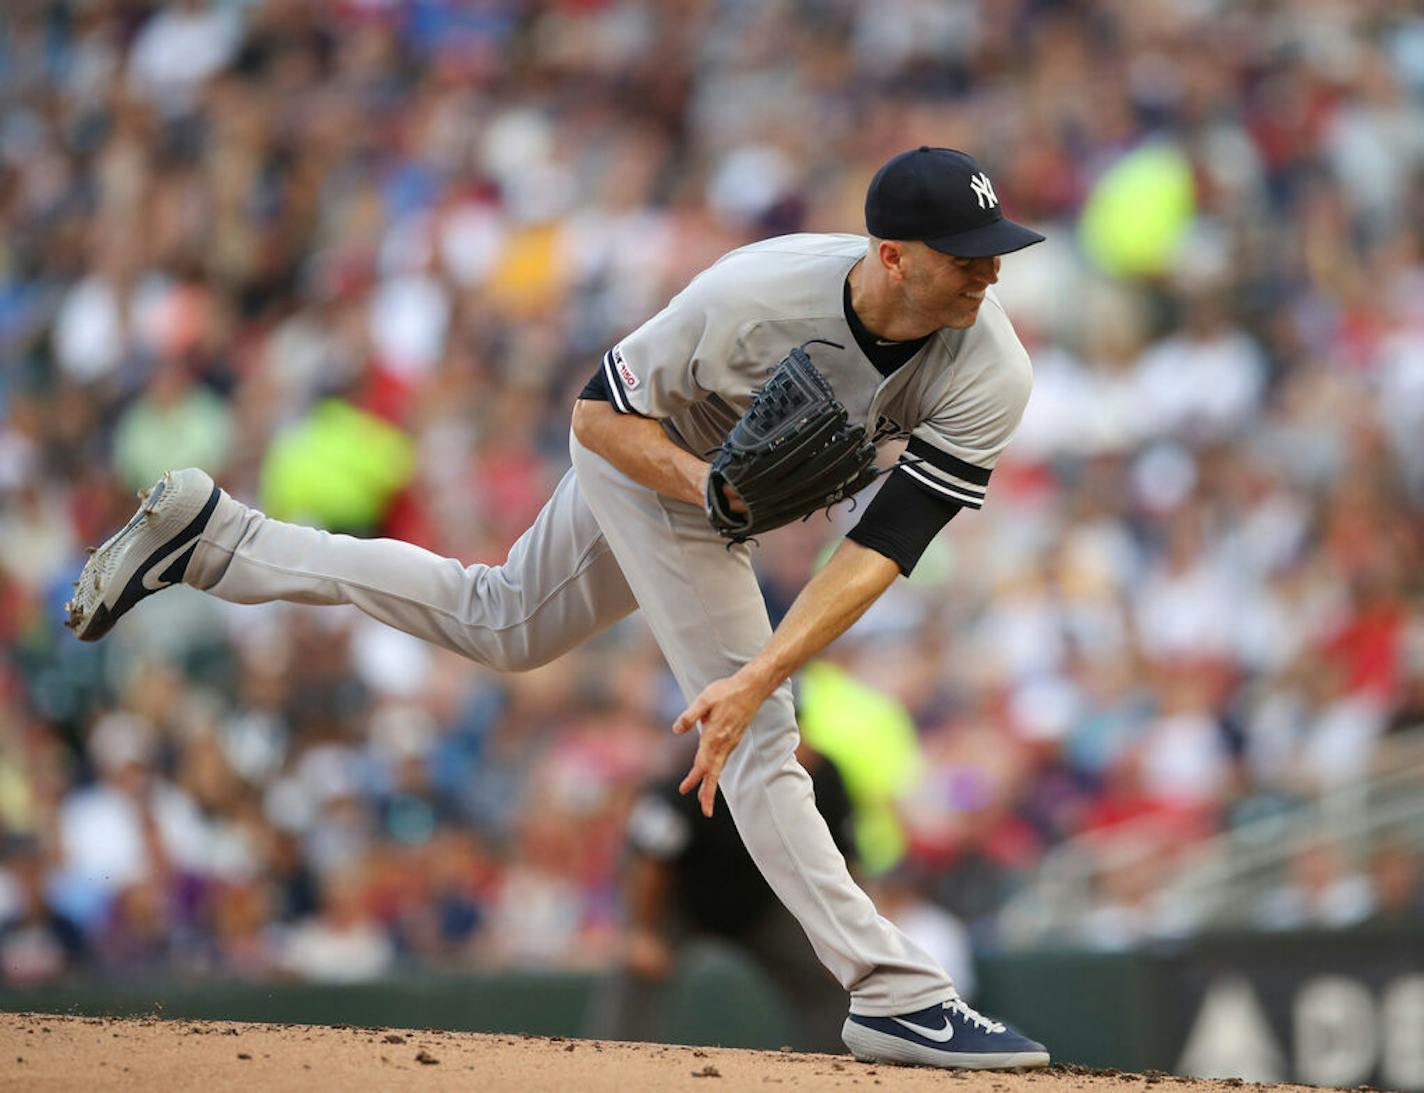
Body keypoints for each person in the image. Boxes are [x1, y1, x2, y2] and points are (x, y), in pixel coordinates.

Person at [66, 146, 1050, 1069]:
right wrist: (706, 497)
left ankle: (222, 540)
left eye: (991, 253)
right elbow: (595, 412)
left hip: (717, 495)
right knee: (759, 736)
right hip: (647, 450)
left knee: (504, 622)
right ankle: (891, 987)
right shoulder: (754, 292)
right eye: (962, 258)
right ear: (889, 255)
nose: (985, 274)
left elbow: (880, 545)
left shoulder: (987, 365)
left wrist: (758, 666)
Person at [599, 739, 855, 1053]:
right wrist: (643, 930)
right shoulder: (698, 763)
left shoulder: (823, 775)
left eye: (796, 732)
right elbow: (652, 857)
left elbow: (843, 864)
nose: (794, 746)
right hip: (679, 900)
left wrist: (840, 935)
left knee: (839, 973)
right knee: (638, 967)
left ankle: (845, 1073)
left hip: (765, 902)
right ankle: (616, 1066)